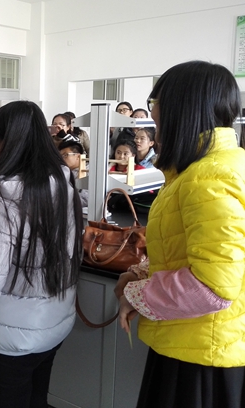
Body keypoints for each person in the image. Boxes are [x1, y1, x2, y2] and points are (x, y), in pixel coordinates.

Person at [116, 61, 245, 408]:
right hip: (198, 343)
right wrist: (142, 272)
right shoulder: (210, 168)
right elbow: (199, 252)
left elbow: (213, 286)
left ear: (183, 109)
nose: (153, 120)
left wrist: (136, 295)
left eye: (156, 108)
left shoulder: (209, 178)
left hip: (200, 356)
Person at [0, 101, 83, 408]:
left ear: (7, 141)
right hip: (54, 325)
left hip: (10, 339)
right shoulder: (62, 184)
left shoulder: (4, 199)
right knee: (37, 399)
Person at [58, 139, 88, 208]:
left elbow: (85, 200)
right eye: (60, 156)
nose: (61, 159)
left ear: (78, 156)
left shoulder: (87, 172)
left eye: (65, 155)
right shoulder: (63, 172)